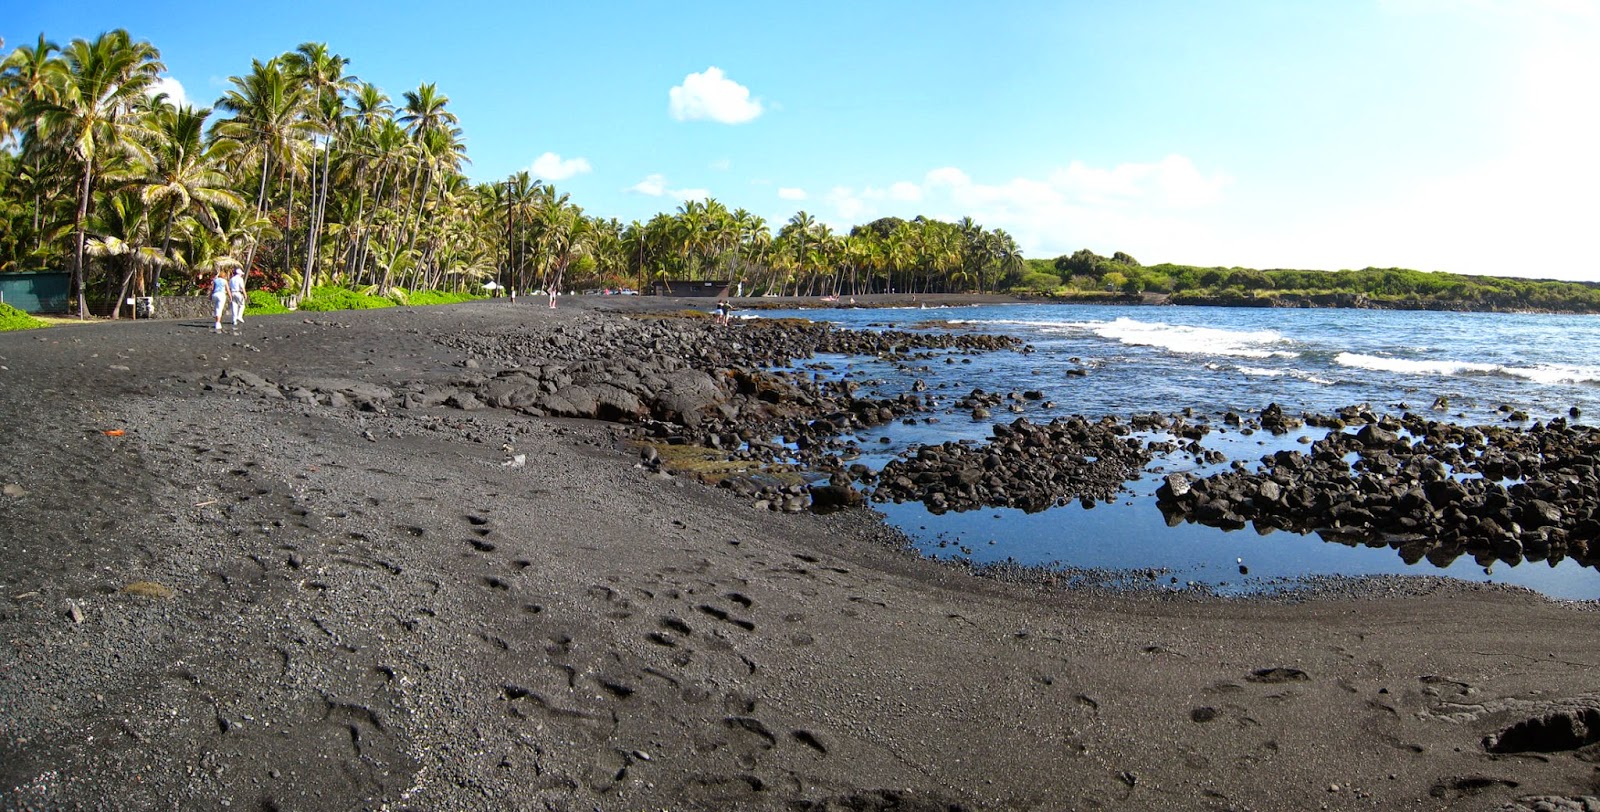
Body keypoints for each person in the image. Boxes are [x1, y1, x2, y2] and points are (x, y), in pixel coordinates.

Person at [209, 268, 229, 333]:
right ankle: (218, 323)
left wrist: (210, 296)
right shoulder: (224, 281)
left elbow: (212, 289)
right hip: (221, 295)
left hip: (215, 295)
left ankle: (217, 320)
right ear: (224, 276)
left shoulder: (215, 280)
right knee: (219, 309)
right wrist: (230, 297)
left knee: (216, 308)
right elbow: (227, 289)